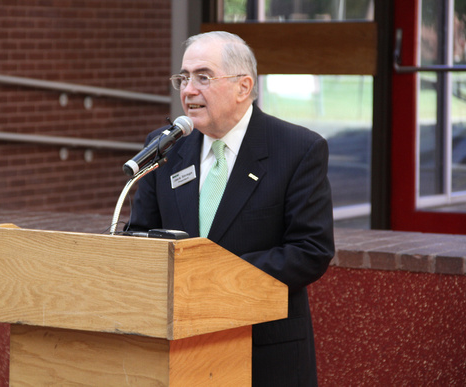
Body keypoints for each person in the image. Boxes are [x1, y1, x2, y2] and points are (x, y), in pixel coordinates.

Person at [128, 31, 335, 386]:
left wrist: (211, 277)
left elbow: (310, 251)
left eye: (203, 77)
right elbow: (139, 236)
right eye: (184, 77)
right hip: (178, 352)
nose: (189, 90)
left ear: (243, 87)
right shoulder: (164, 149)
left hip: (263, 351)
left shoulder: (298, 149)